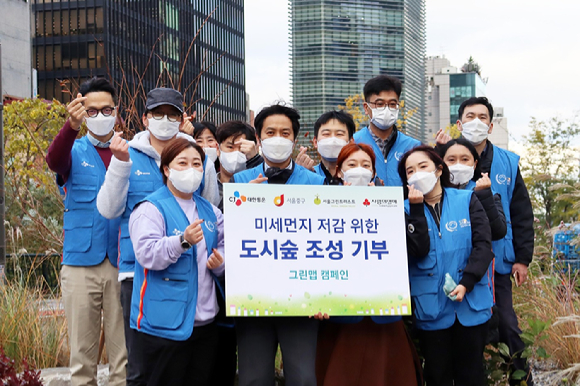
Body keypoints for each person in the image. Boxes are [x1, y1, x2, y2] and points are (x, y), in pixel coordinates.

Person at [96, 87, 219, 384]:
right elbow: (109, 209)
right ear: (145, 118)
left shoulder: (198, 156)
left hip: (192, 278)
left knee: (187, 363)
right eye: (158, 114)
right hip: (136, 274)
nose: (165, 120)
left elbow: (211, 209)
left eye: (172, 114)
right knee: (142, 365)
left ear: (182, 118)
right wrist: (120, 164)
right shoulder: (128, 153)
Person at [438, 97, 535, 385]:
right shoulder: (446, 157)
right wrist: (437, 151)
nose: (476, 122)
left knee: (507, 325)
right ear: (459, 122)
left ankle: (521, 380)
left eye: (482, 117)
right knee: (463, 329)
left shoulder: (507, 161)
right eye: (470, 116)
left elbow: (521, 213)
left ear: (491, 125)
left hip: (498, 262)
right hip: (456, 259)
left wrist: (523, 258)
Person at [314, 143, 422, 386]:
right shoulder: (320, 207)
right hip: (338, 313)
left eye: (366, 165)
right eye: (352, 165)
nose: (359, 170)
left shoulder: (389, 206)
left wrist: (385, 207)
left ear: (374, 173)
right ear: (339, 172)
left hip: (382, 312)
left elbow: (415, 248)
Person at [232, 104, 324, 386]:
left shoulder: (316, 184)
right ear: (258, 139)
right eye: (270, 132)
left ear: (294, 140)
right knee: (253, 378)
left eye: (285, 133)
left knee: (303, 378)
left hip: (302, 299)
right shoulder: (240, 182)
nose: (278, 138)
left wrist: (323, 295)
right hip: (253, 298)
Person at [45, 77, 127, 386]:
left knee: (124, 357)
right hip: (81, 262)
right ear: (82, 111)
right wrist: (71, 126)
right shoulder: (73, 148)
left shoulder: (127, 150)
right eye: (91, 111)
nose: (100, 116)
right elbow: (54, 162)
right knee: (82, 357)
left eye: (106, 109)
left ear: (116, 111)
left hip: (122, 261)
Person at [128, 138, 224, 386]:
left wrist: (220, 261)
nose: (190, 169)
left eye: (196, 164)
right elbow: (146, 253)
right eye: (182, 163)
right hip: (164, 324)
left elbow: (228, 245)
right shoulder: (150, 208)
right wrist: (182, 241)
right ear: (167, 169)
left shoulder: (210, 211)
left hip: (205, 323)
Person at [399, 145, 494, 386]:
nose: (417, 174)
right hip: (431, 307)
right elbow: (417, 251)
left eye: (423, 167)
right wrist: (417, 209)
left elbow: (484, 246)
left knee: (471, 375)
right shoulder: (404, 211)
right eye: (410, 171)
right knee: (437, 375)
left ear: (439, 169)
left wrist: (467, 282)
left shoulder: (467, 199)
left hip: (470, 303)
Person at [354, 75, 421, 186]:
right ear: (366, 108)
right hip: (366, 202)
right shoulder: (353, 144)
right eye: (379, 104)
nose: (386, 109)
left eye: (392, 104)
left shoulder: (413, 147)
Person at [295, 110, 355, 184]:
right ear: (315, 142)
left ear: (351, 141)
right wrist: (302, 176)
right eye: (326, 134)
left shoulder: (359, 175)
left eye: (339, 134)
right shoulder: (308, 173)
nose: (333, 140)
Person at [215, 120, 262, 211]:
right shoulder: (207, 185)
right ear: (217, 148)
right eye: (230, 147)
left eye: (242, 148)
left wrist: (255, 159)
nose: (236, 153)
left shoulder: (259, 182)